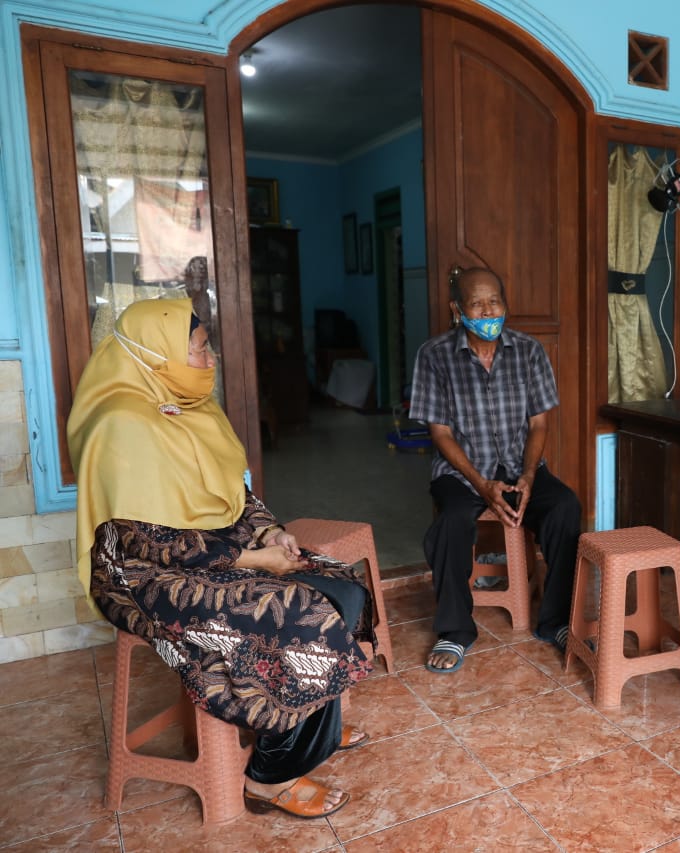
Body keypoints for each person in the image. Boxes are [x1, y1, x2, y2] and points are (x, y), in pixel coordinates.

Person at [68, 298, 373, 820]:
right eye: (199, 349)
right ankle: (272, 776)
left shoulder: (193, 408)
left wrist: (271, 534)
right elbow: (149, 542)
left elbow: (234, 496)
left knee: (345, 589)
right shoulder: (119, 423)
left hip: (224, 552)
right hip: (146, 575)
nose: (210, 360)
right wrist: (252, 561)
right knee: (298, 616)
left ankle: (311, 719)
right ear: (156, 355)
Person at [410, 267, 581, 673]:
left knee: (564, 508)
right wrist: (481, 484)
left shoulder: (528, 350)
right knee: (451, 521)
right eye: (476, 303)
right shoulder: (434, 355)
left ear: (505, 304)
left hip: (521, 466)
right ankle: (455, 631)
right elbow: (441, 433)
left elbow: (539, 423)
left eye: (495, 302)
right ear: (457, 309)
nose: (488, 311)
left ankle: (555, 621)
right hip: (463, 471)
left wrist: (528, 476)